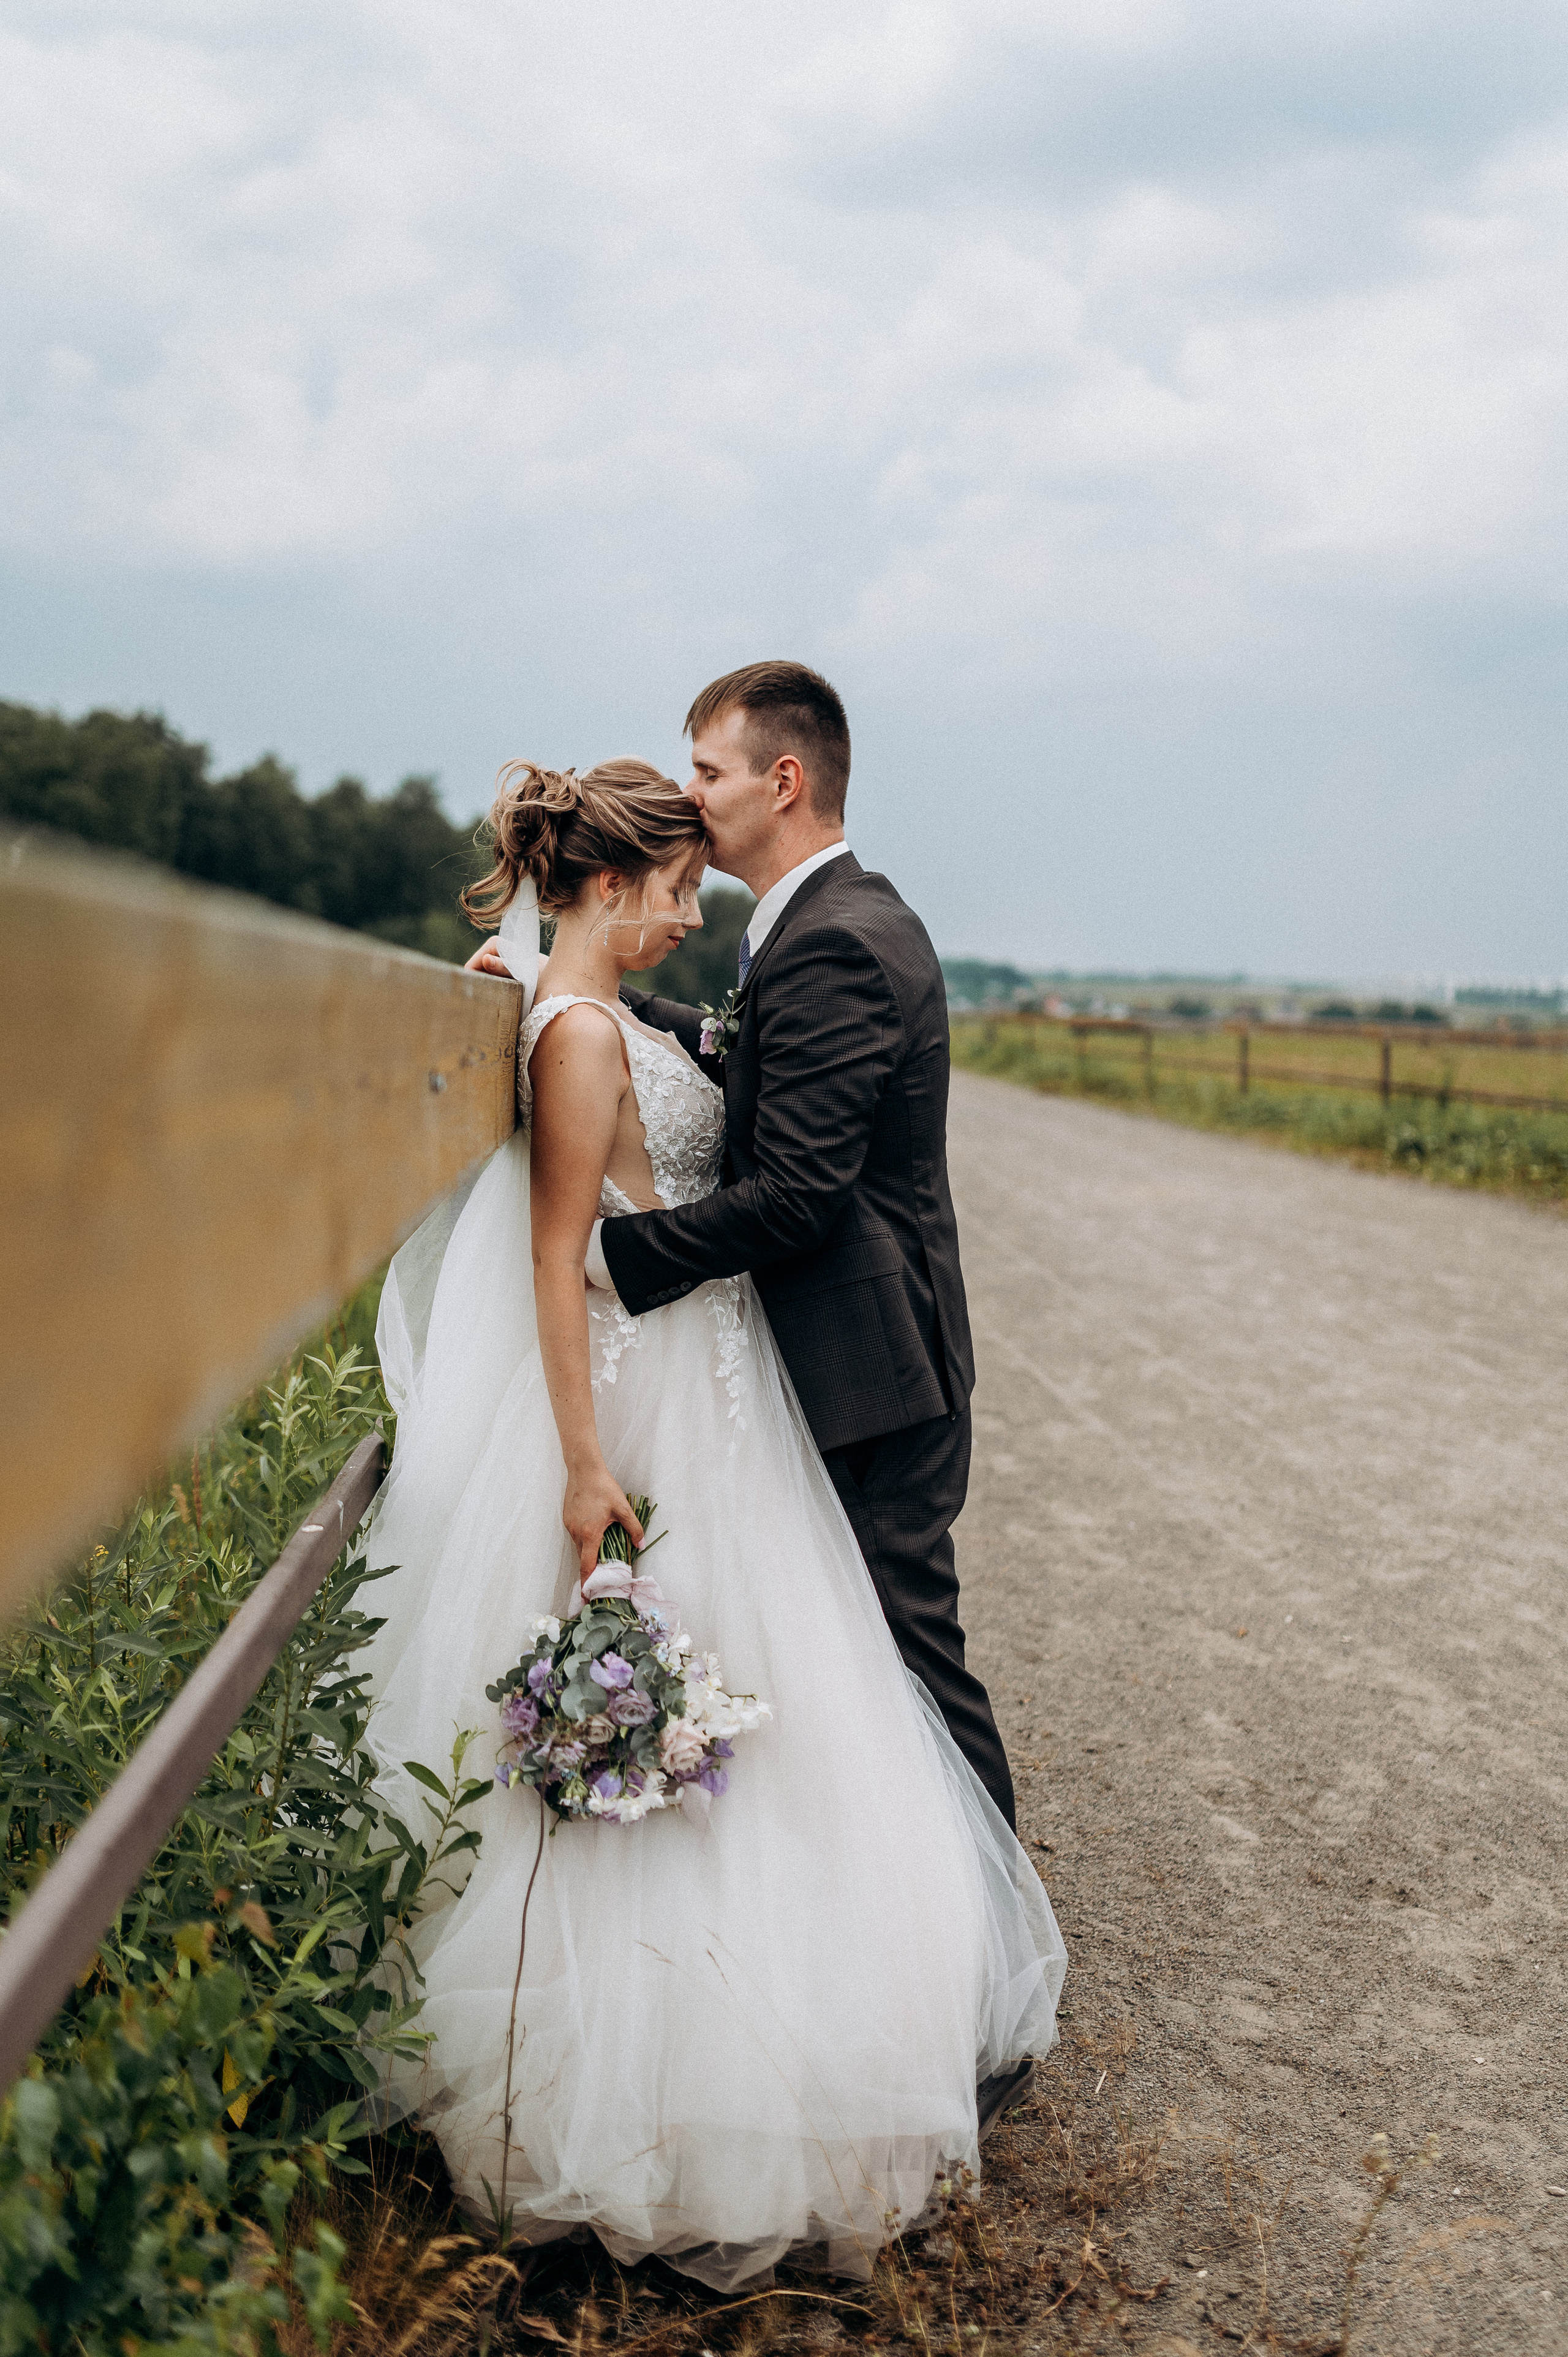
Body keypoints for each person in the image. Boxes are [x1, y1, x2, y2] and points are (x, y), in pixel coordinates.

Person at [363, 752, 1064, 2292]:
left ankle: (837, 2027)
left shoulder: (611, 1007)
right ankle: (651, 2089)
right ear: (607, 884)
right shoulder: (575, 1030)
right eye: (672, 886)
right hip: (652, 1387)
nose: (691, 909)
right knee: (725, 1700)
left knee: (797, 1694)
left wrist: (558, 979)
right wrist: (579, 1459)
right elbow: (562, 1251)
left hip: (710, 1375)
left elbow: (691, 1105)